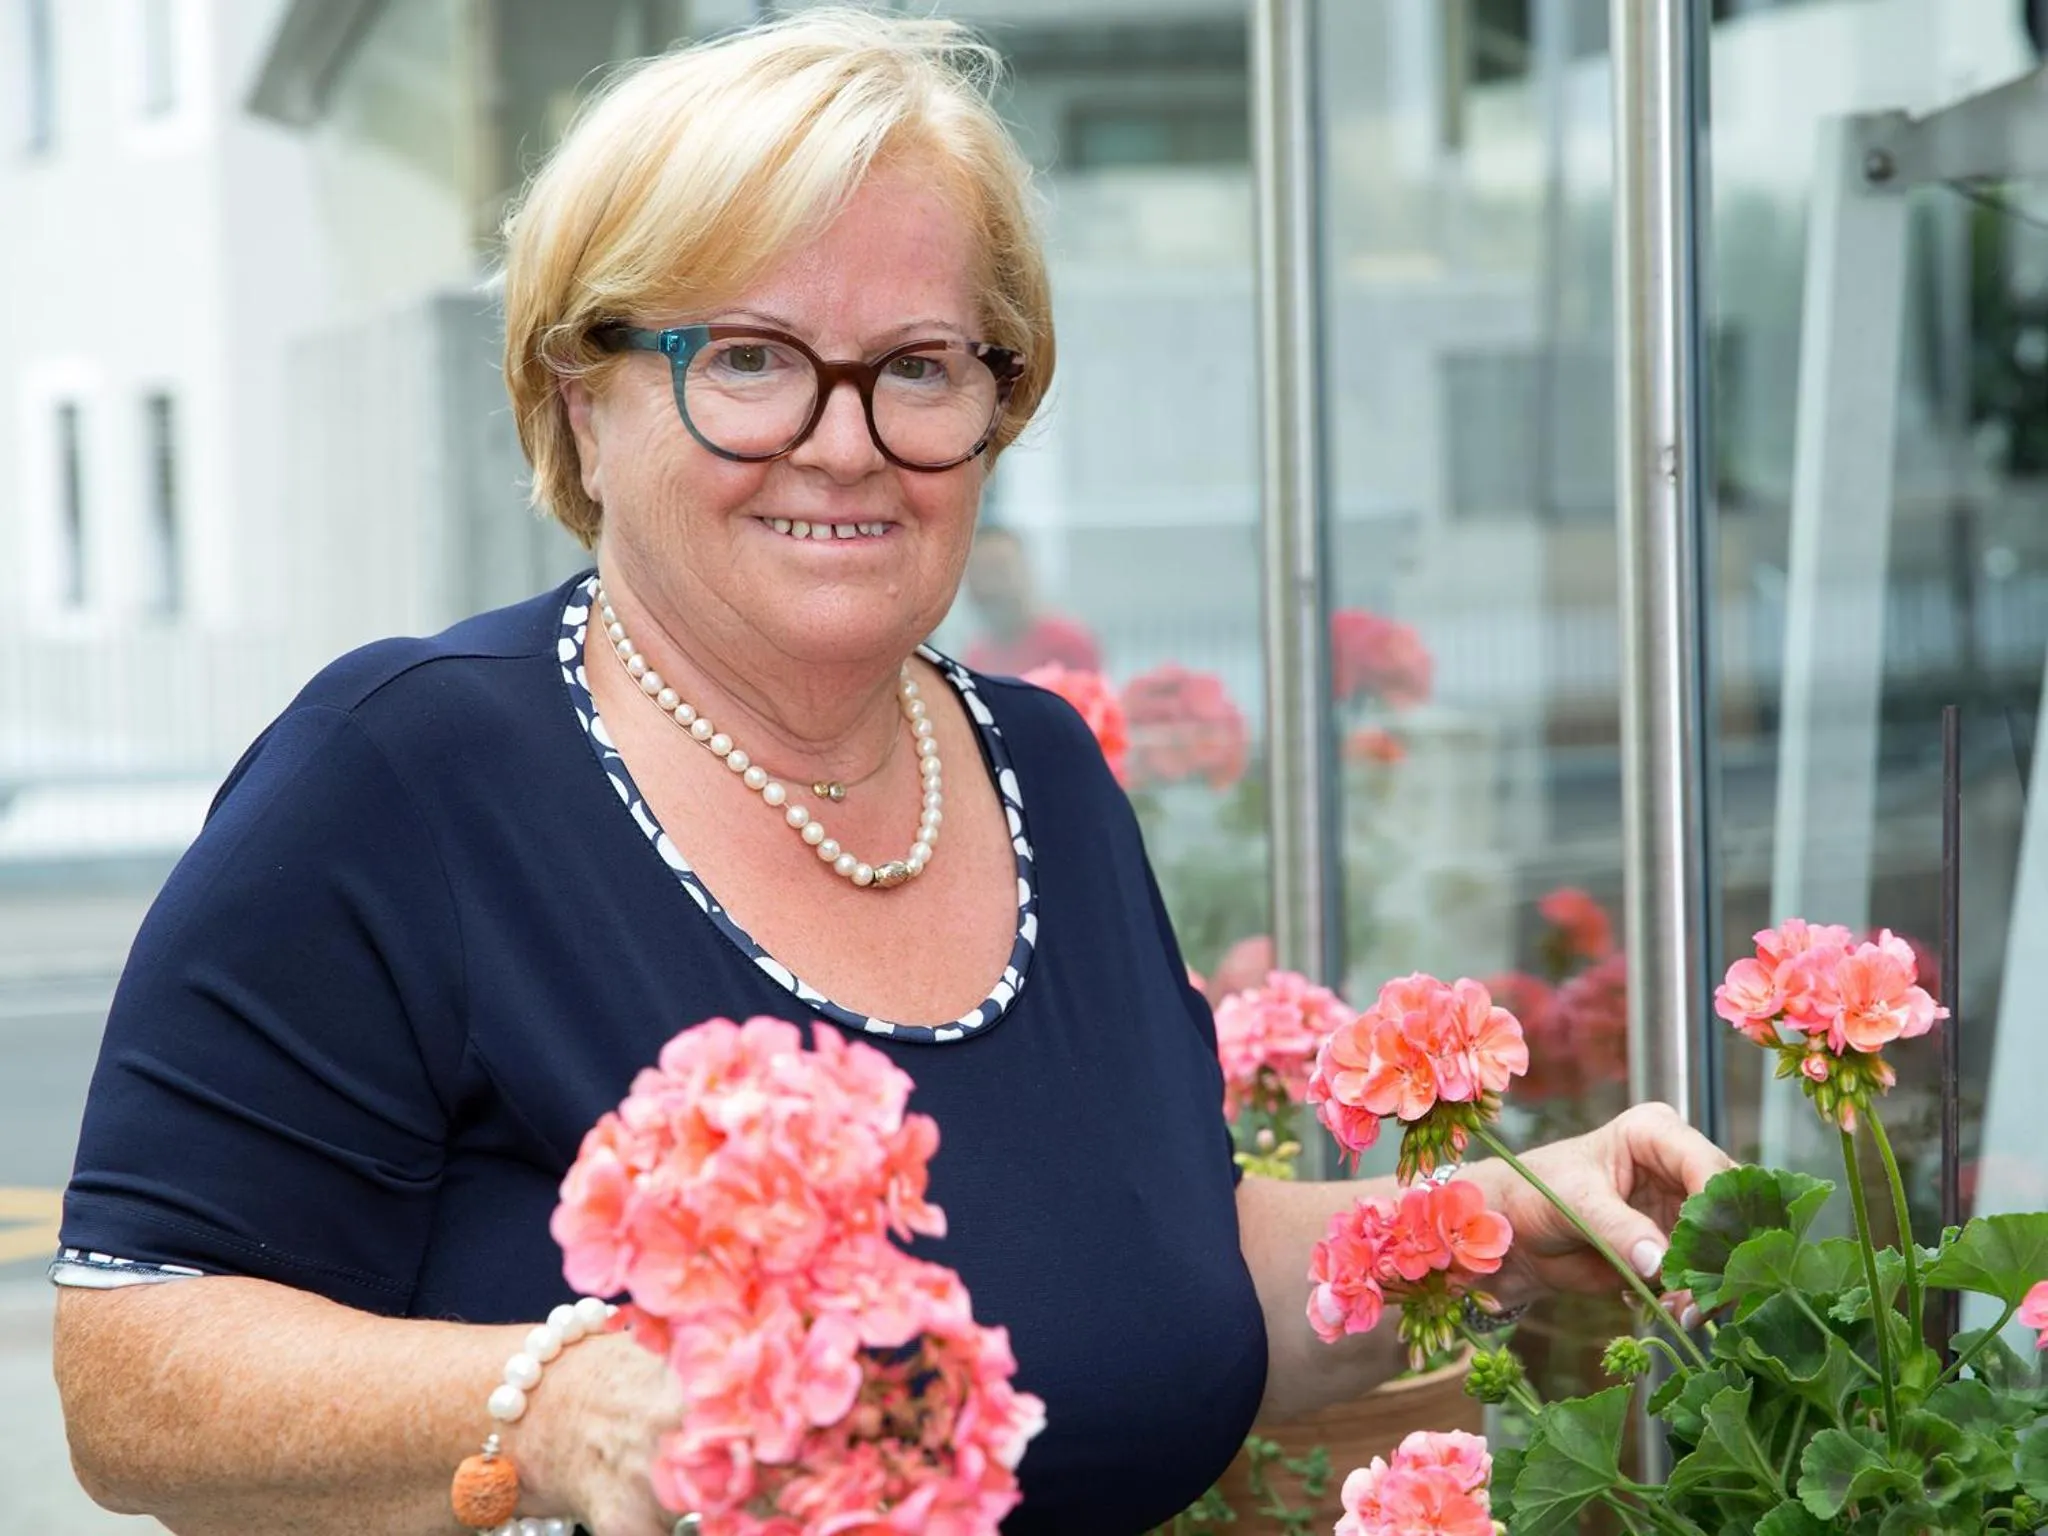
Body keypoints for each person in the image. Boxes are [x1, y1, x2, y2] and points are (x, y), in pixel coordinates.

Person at [48, 12, 1731, 1536]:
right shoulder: (405, 773)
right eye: (752, 358)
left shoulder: (1043, 775)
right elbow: (128, 1370)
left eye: (920, 365)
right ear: (580, 395)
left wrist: (1483, 1223)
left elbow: (1153, 1270)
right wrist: (553, 1407)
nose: (844, 439)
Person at [959, 524, 1103, 676]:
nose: (990, 586)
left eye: (999, 570)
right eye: (978, 574)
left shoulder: (1067, 642)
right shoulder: (976, 655)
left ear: (1026, 571)